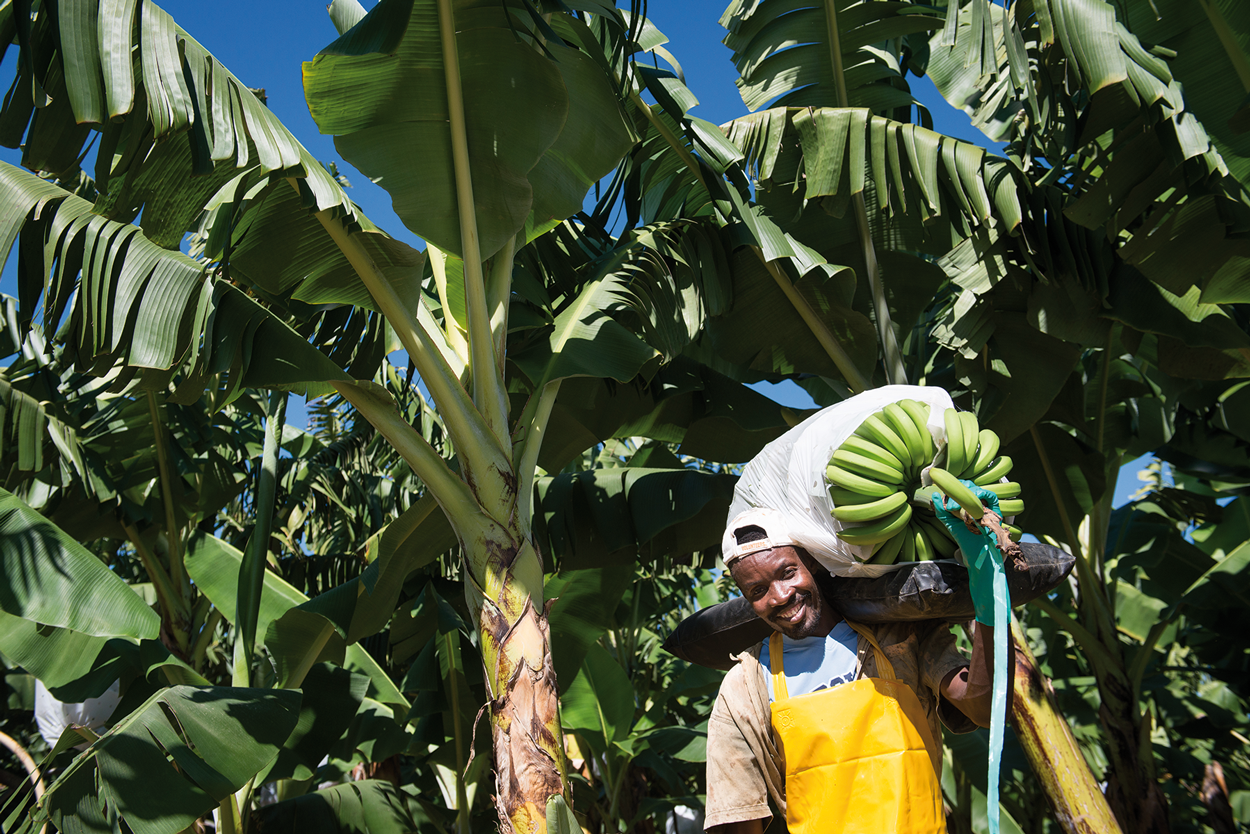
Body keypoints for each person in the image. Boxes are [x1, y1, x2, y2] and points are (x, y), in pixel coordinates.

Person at [704, 507, 1010, 834]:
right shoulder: (746, 686)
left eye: (788, 572)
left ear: (814, 563)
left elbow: (986, 709)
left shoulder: (899, 639)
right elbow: (736, 816)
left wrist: (989, 599)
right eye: (758, 591)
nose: (780, 596)